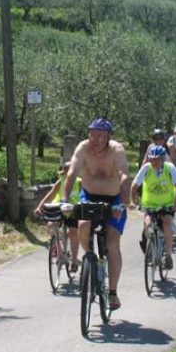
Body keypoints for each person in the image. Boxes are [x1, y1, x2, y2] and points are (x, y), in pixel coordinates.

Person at [61, 117, 130, 310]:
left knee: (112, 242)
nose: (96, 139)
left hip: (114, 200)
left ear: (108, 137)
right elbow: (72, 173)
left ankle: (113, 292)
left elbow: (124, 174)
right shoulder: (83, 148)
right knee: (83, 225)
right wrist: (65, 200)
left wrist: (124, 204)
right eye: (93, 134)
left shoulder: (116, 150)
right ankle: (90, 260)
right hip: (89, 196)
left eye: (101, 135)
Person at [129, 145, 176, 269]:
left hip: (167, 203)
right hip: (150, 204)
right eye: (151, 159)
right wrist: (132, 201)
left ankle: (168, 256)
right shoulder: (146, 168)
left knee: (166, 224)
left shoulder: (170, 168)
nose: (154, 162)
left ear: (163, 159)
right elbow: (134, 186)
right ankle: (151, 249)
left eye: (157, 159)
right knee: (147, 224)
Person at [35, 162, 82, 272]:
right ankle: (60, 253)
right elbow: (50, 195)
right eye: (65, 171)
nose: (66, 173)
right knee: (51, 226)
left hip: (73, 210)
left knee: (73, 232)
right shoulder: (60, 181)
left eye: (68, 171)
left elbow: (84, 197)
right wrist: (39, 207)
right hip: (59, 208)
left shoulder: (79, 182)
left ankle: (74, 260)